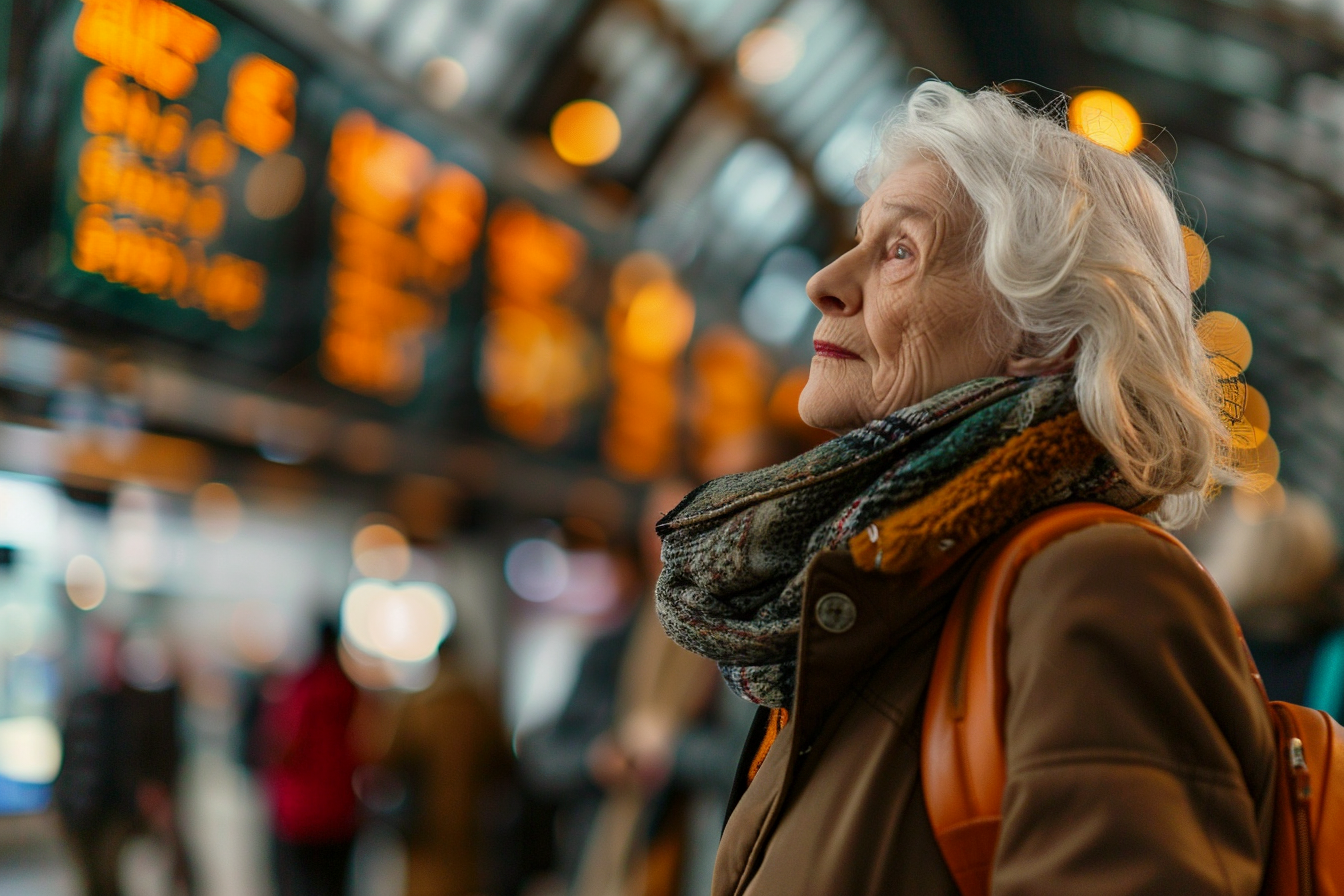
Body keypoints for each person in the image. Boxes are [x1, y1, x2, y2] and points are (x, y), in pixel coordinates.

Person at [654, 81, 1277, 894]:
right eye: (859, 239)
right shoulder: (876, 583)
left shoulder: (1092, 584)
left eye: (900, 251)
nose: (827, 283)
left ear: (1042, 333)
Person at [378, 637, 515, 896]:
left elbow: (388, 755)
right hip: (470, 820)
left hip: (425, 821)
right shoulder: (478, 704)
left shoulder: (418, 704)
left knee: (426, 883)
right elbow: (503, 760)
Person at [258, 620, 360, 896]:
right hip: (341, 810)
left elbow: (286, 745)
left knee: (302, 885)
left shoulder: (301, 688)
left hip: (300, 811)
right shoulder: (351, 690)